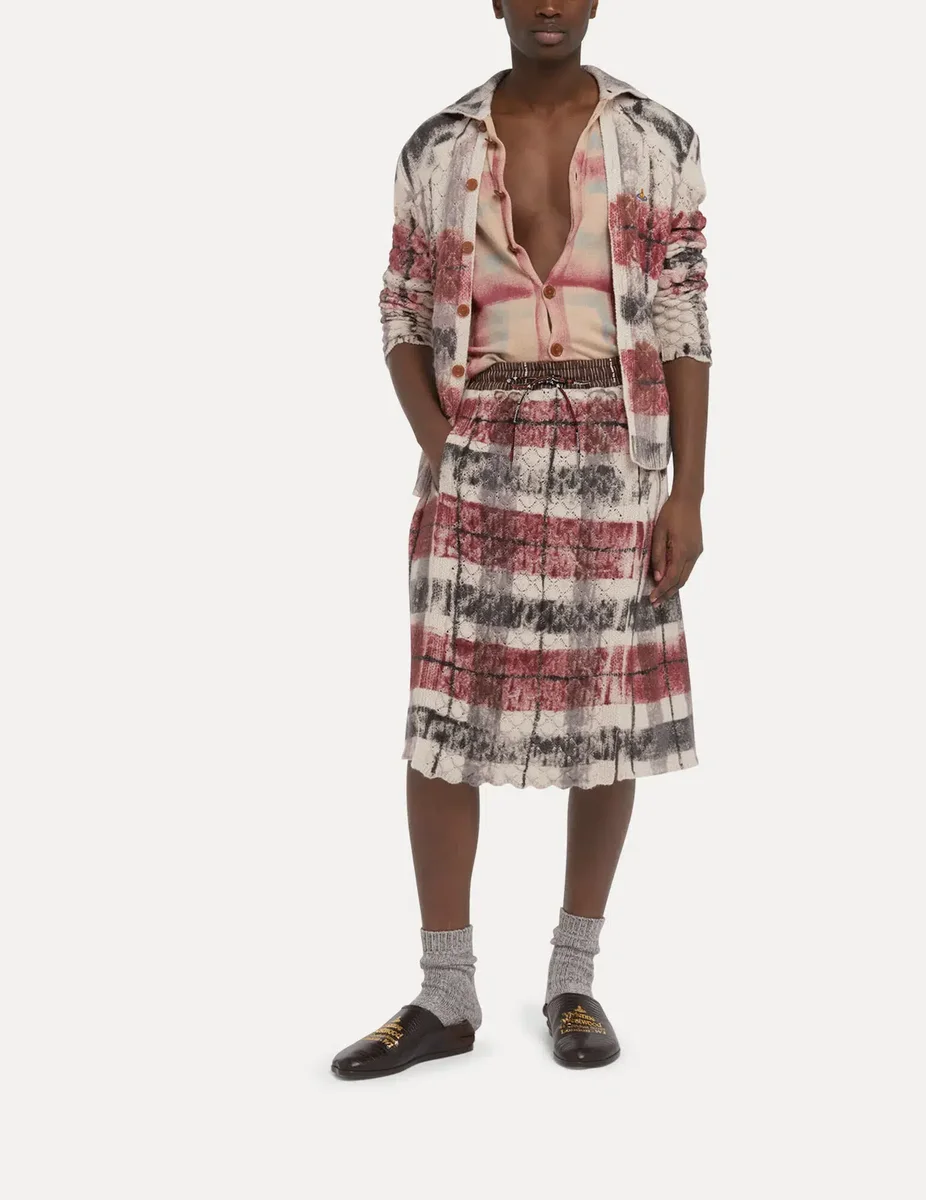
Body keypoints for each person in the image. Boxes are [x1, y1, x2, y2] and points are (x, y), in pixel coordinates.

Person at [332, 0, 711, 1078]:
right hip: (478, 449)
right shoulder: (436, 146)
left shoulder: (659, 137)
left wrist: (686, 492)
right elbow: (402, 309)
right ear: (494, 0)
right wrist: (441, 443)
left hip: (615, 448)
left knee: (607, 718)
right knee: (441, 720)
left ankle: (572, 980)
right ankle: (445, 995)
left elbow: (682, 318)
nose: (548, 2)